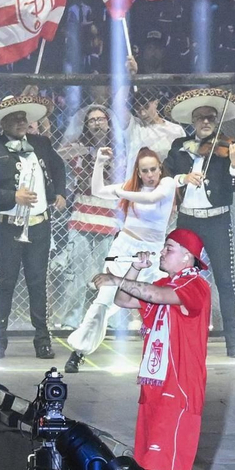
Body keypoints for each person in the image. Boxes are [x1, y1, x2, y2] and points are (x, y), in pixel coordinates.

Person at [92, 229, 214, 470]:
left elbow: (156, 295)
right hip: (155, 386)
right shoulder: (165, 283)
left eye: (169, 248)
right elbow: (124, 300)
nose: (161, 252)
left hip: (179, 388)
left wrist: (115, 278)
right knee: (151, 461)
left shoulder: (195, 286)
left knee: (166, 461)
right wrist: (134, 268)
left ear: (188, 256)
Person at [66, 148, 182, 372]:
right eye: (144, 171)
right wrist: (99, 162)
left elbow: (151, 197)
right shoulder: (131, 188)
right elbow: (98, 190)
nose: (150, 175)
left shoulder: (167, 184)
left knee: (162, 302)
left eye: (153, 169)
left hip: (153, 253)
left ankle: (169, 356)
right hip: (125, 248)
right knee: (104, 301)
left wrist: (123, 192)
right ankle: (78, 351)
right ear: (138, 172)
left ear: (160, 168)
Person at [161, 88, 235, 357]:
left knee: (225, 280)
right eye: (201, 118)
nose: (206, 122)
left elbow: (234, 186)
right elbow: (166, 177)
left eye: (211, 117)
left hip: (217, 220)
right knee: (181, 278)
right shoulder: (179, 148)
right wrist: (182, 179)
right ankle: (180, 336)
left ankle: (233, 343)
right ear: (193, 122)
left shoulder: (227, 145)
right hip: (188, 222)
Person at [0, 95, 67, 359]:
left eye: (23, 117)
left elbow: (59, 166)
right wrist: (12, 197)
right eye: (14, 118)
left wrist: (60, 192)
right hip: (8, 226)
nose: (20, 122)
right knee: (5, 283)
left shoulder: (41, 143)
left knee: (38, 282)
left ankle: (42, 339)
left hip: (40, 224)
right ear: (3, 122)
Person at [56, 104, 118, 330]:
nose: (97, 123)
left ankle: (104, 320)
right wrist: (87, 152)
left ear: (109, 123)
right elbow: (63, 158)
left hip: (109, 217)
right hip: (82, 215)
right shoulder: (78, 149)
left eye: (101, 119)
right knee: (78, 273)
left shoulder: (118, 150)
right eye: (92, 120)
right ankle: (71, 320)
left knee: (106, 274)